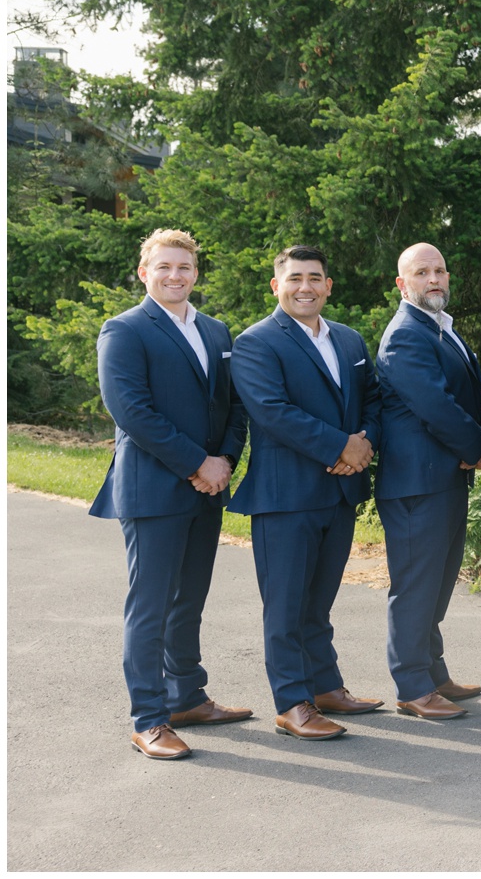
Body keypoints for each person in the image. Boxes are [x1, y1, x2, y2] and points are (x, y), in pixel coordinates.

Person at [93, 228, 250, 759]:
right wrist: (195, 463)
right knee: (151, 605)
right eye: (164, 267)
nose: (175, 276)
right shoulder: (124, 330)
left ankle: (186, 697)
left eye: (184, 267)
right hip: (153, 488)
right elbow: (131, 411)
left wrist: (224, 461)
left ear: (196, 273)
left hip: (208, 486)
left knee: (190, 600)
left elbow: (233, 405)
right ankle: (149, 718)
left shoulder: (216, 331)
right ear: (145, 273)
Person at [230, 245, 386, 741]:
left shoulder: (348, 340)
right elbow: (272, 411)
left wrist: (365, 442)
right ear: (276, 286)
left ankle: (325, 687)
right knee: (286, 606)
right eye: (295, 278)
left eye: (315, 277)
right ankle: (291, 702)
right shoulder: (256, 343)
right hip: (286, 496)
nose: (305, 286)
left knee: (318, 602)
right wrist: (342, 445)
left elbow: (375, 399)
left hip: (339, 492)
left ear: (328, 286)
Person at [372, 242, 481, 721]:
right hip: (415, 484)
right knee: (416, 586)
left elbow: (468, 393)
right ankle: (412, 687)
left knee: (438, 583)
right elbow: (436, 406)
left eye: (440, 270)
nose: (434, 278)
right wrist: (479, 446)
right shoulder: (405, 335)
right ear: (403, 285)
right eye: (421, 272)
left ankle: (435, 672)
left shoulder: (440, 327)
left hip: (442, 478)